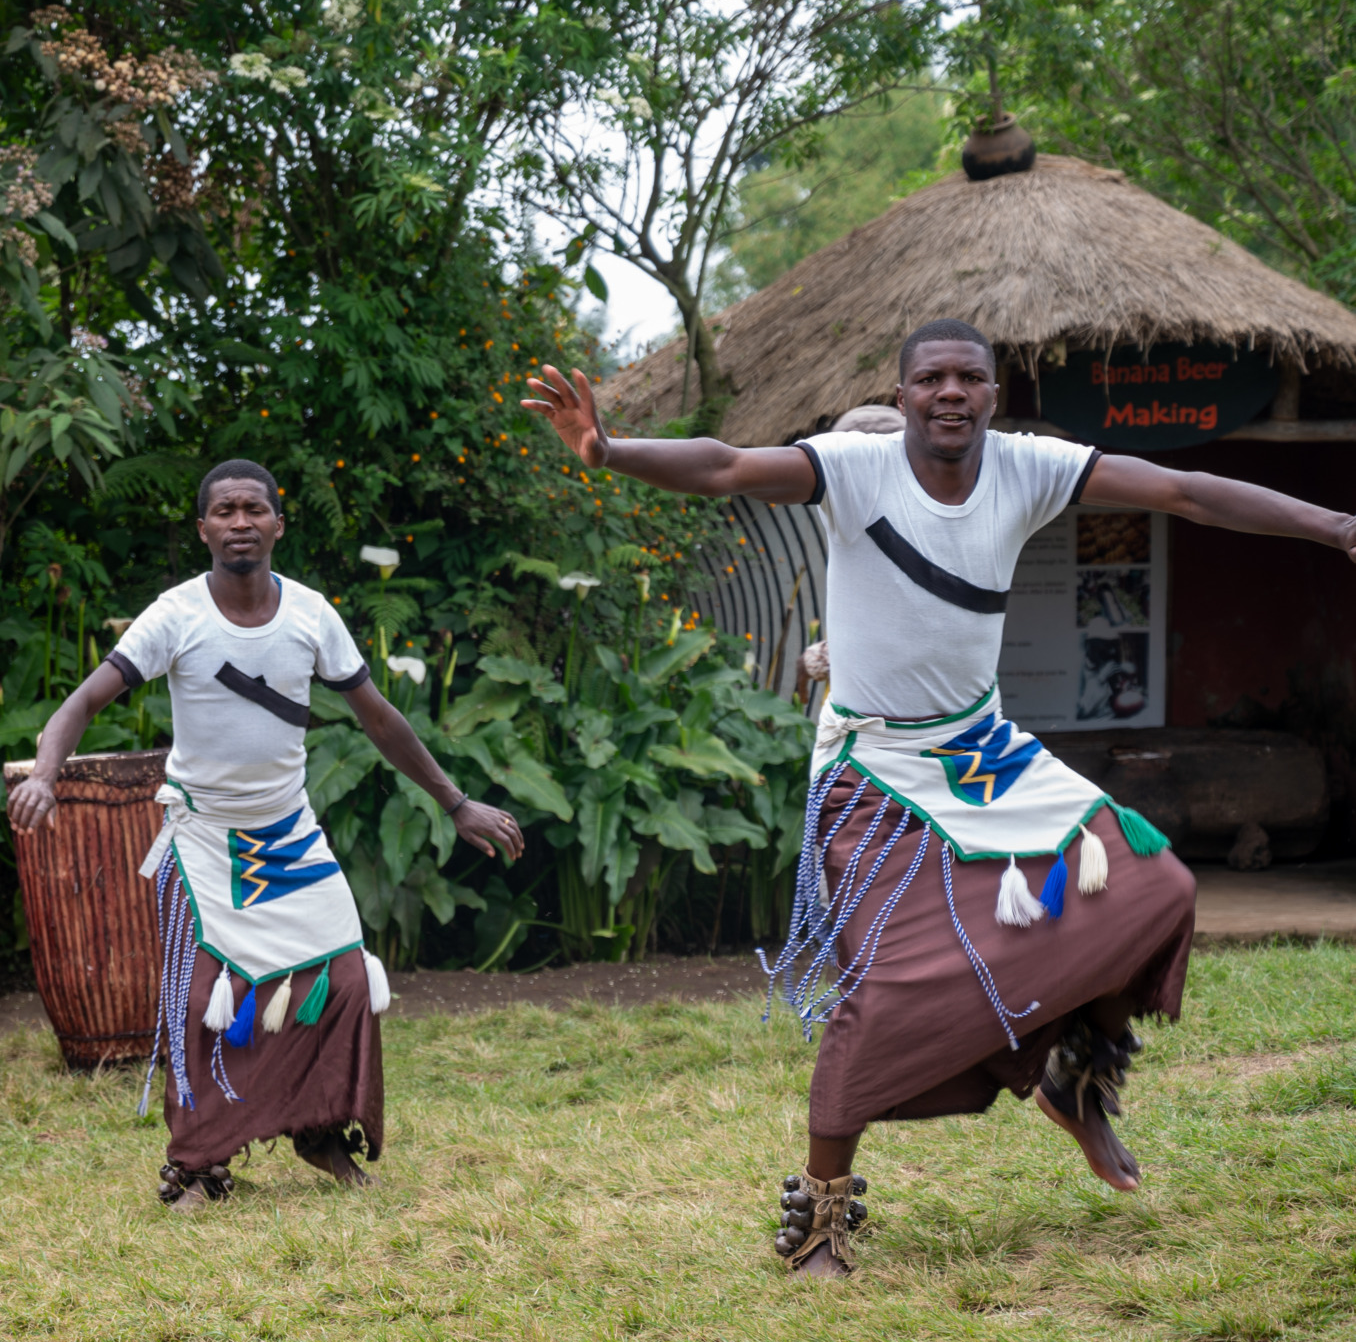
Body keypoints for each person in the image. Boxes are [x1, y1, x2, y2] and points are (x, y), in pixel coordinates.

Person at [523, 319, 1356, 1275]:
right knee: (886, 994)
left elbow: (1182, 490)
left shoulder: (1030, 467)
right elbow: (723, 465)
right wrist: (608, 448)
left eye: (969, 377)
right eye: (931, 378)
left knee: (1158, 885)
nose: (950, 392)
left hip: (986, 750)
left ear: (995, 395)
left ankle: (1077, 1069)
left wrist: (1336, 526)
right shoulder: (855, 468)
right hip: (874, 769)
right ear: (905, 392)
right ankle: (821, 1220)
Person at [8, 460, 526, 1209]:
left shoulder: (312, 614)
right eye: (225, 510)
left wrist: (455, 803)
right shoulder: (176, 614)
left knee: (344, 979)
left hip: (287, 832)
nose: (241, 521)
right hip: (205, 836)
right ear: (204, 529)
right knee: (203, 1002)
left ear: (279, 523)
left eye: (255, 508)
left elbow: (379, 716)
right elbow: (85, 699)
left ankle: (320, 1129)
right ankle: (198, 1164)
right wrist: (44, 773)